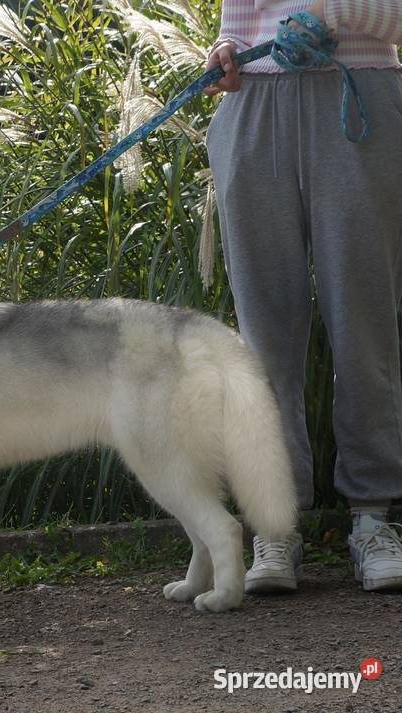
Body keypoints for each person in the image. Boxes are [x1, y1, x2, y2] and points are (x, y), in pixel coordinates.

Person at [204, 0, 402, 592]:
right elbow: (237, 27)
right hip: (253, 110)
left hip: (359, 95)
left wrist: (329, 13)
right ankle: (275, 523)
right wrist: (226, 57)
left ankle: (373, 518)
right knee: (262, 339)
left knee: (363, 324)